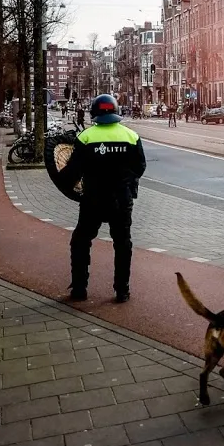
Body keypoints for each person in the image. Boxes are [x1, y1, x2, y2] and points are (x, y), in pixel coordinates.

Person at [63, 94, 146, 303]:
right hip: (122, 199)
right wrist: (126, 181)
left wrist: (65, 183)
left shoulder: (85, 137)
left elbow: (72, 172)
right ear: (116, 112)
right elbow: (140, 167)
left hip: (93, 199)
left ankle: (80, 289)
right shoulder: (131, 136)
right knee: (122, 243)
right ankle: (122, 290)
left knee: (81, 240)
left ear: (94, 113)